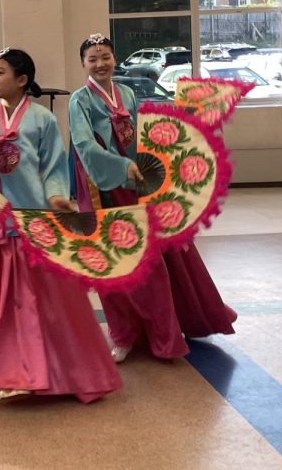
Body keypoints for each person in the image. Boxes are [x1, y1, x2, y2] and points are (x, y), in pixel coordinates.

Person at [0, 47, 121, 403]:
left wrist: (57, 196)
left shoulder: (42, 120)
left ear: (22, 80)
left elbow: (54, 167)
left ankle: (28, 369)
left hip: (33, 221)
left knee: (34, 301)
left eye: (0, 73)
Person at [69, 34, 234, 363]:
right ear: (83, 64)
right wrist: (120, 166)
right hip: (105, 188)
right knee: (115, 264)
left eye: (106, 56)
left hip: (138, 184)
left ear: (115, 59)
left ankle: (164, 332)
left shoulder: (127, 93)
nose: (100, 63)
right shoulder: (80, 101)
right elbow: (84, 146)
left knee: (154, 263)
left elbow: (143, 136)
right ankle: (123, 334)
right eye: (93, 58)